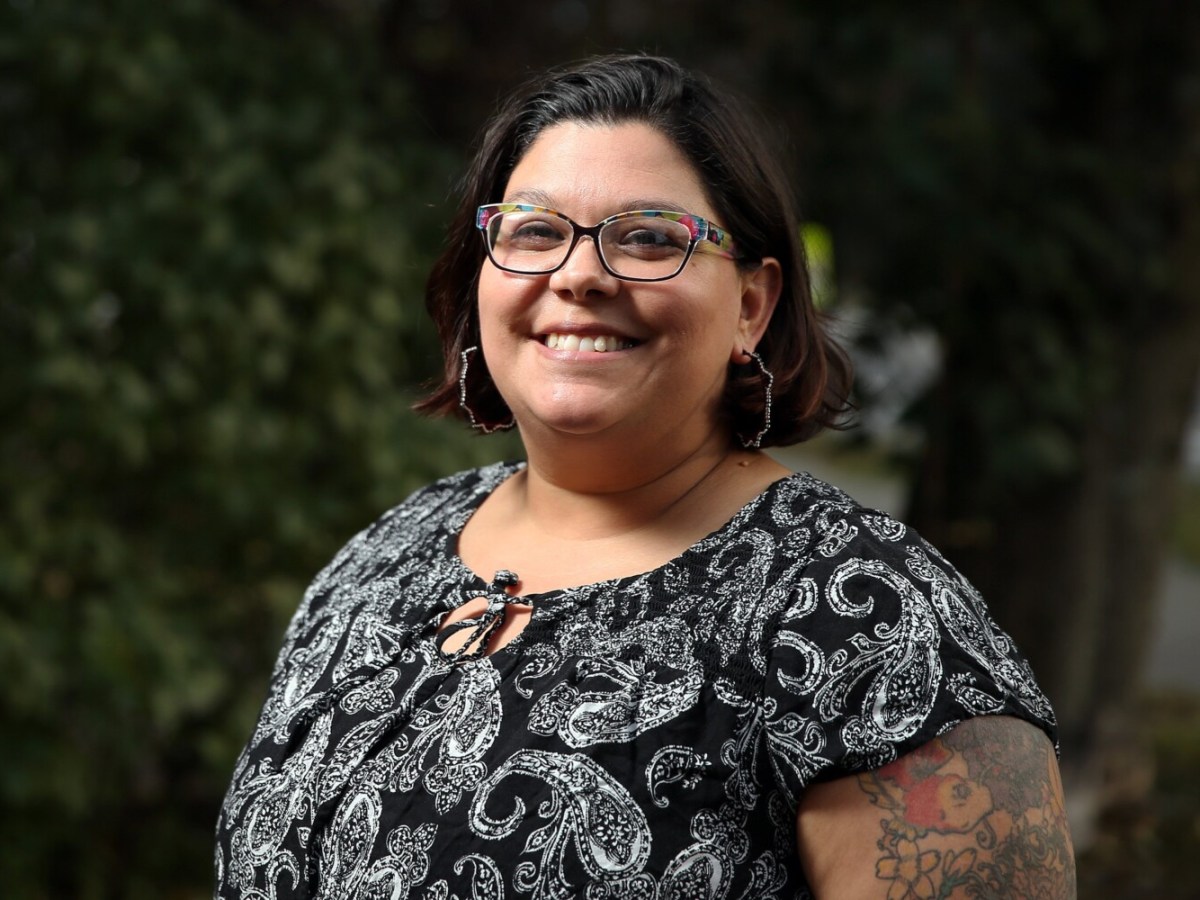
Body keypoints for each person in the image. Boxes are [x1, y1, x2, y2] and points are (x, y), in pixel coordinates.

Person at [215, 54, 1075, 899]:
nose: (579, 275)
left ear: (751, 306)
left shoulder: (867, 618)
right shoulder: (393, 550)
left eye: (651, 238)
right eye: (534, 231)